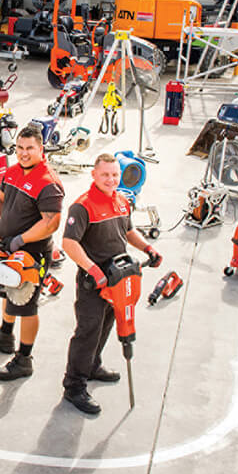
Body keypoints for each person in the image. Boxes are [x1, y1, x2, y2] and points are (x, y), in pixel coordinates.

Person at [61, 153, 162, 414]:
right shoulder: (82, 207)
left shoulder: (121, 201)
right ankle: (74, 386)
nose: (111, 179)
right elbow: (69, 244)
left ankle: (93, 366)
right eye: (105, 174)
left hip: (118, 279)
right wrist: (93, 270)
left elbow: (128, 231)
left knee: (106, 325)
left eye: (115, 174)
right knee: (88, 331)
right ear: (94, 175)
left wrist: (148, 248)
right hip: (93, 282)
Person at [0, 123, 63, 381]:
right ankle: (5, 336)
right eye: (20, 148)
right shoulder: (13, 171)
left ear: (41, 149)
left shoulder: (49, 182)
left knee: (26, 304)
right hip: (8, 248)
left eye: (30, 148)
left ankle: (24, 359)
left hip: (31, 255)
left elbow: (51, 222)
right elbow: (0, 199)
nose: (24, 153)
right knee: (7, 291)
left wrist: (20, 240)